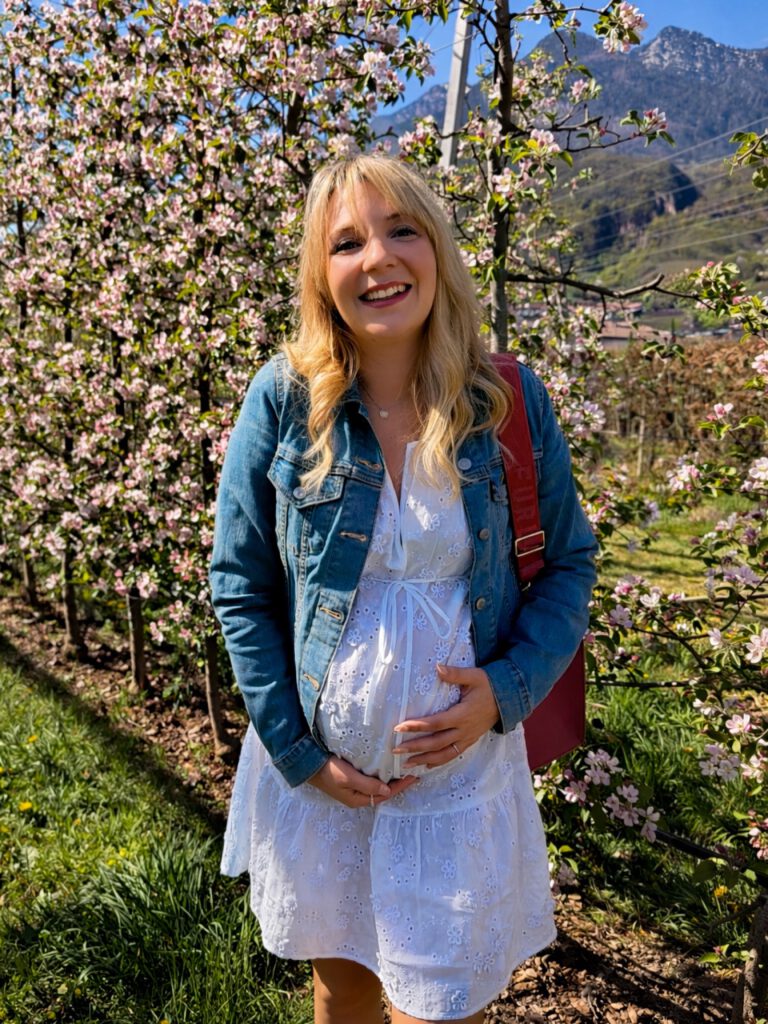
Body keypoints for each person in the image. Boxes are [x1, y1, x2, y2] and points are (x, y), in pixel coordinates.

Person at [210, 154, 597, 1024]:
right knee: (341, 988)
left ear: (438, 249)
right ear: (322, 274)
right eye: (347, 242)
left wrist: (505, 689)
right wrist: (299, 753)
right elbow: (240, 585)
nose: (378, 259)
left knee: (441, 1000)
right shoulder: (282, 400)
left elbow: (570, 563)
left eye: (401, 230)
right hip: (319, 780)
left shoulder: (505, 401)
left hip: (458, 782)